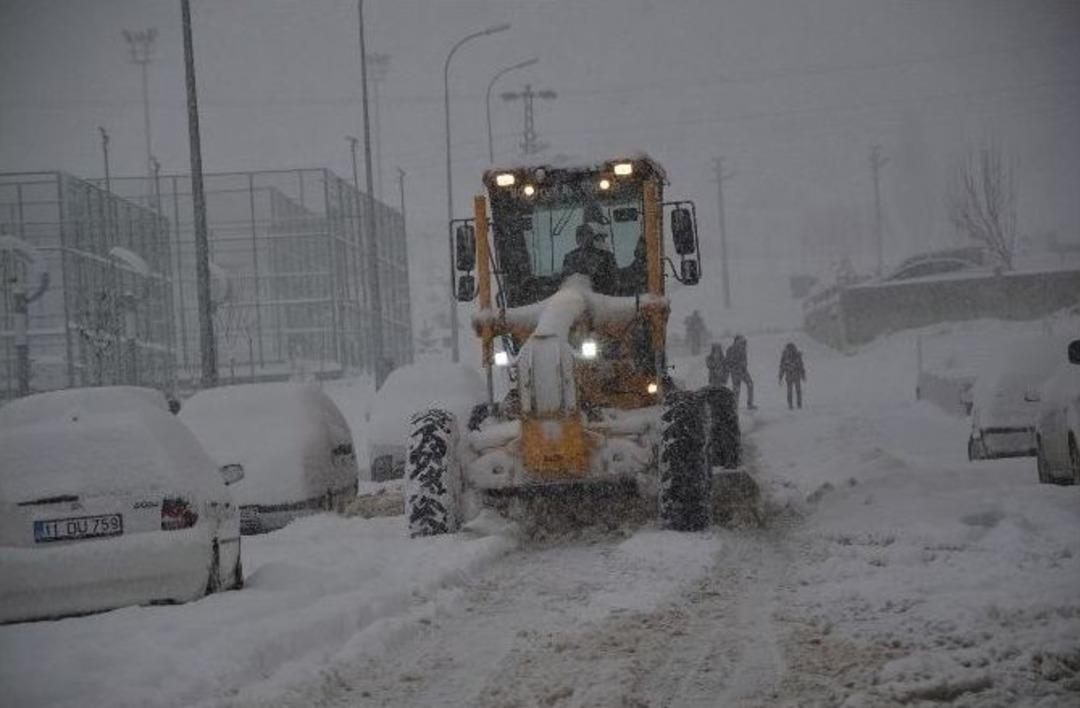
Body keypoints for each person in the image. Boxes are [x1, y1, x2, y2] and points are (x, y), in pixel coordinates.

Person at [562, 222, 617, 294]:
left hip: (601, 299)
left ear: (592, 237)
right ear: (576, 239)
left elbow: (614, 281)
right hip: (576, 298)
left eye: (587, 234)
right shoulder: (570, 258)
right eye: (580, 235)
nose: (584, 238)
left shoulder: (606, 257)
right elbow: (565, 280)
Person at [727, 334, 755, 409]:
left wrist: (744, 366)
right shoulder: (730, 349)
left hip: (743, 371)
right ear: (736, 341)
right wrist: (734, 368)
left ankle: (749, 404)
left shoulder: (743, 349)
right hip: (735, 372)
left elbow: (744, 360)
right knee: (737, 389)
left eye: (742, 342)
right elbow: (728, 362)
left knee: (750, 384)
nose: (742, 343)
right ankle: (735, 406)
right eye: (740, 341)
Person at [778, 341, 806, 409]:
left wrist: (780, 377)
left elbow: (782, 367)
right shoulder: (795, 355)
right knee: (796, 390)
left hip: (791, 375)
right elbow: (801, 366)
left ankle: (792, 404)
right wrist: (803, 375)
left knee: (791, 391)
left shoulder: (786, 356)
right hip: (795, 375)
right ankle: (797, 404)